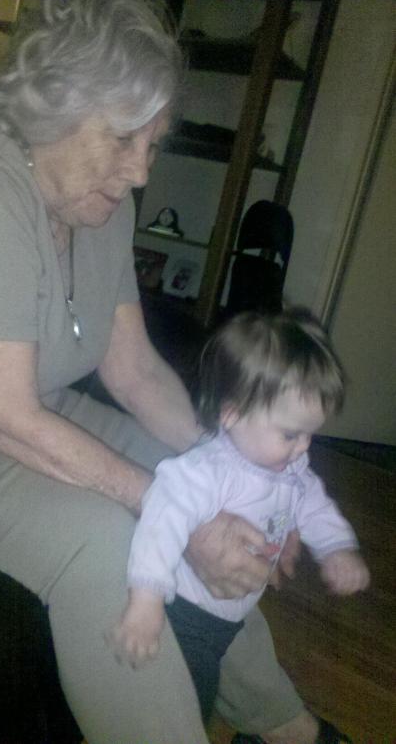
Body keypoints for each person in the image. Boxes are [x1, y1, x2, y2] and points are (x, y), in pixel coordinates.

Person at [0, 0, 349, 742]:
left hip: (32, 406)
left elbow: (137, 371)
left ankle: (282, 725)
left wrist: (241, 471)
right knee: (118, 539)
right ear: (54, 106)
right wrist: (177, 510)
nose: (142, 169)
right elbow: (4, 414)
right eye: (123, 138)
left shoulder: (99, 205)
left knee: (197, 475)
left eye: (153, 142)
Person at [115, 310, 370, 733]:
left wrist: (337, 548)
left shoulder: (290, 469)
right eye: (291, 434)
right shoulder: (208, 472)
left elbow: (315, 506)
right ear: (232, 415)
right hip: (185, 617)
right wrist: (146, 601)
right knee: (184, 712)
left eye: (310, 434)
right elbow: (160, 525)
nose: (303, 448)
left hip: (228, 620)